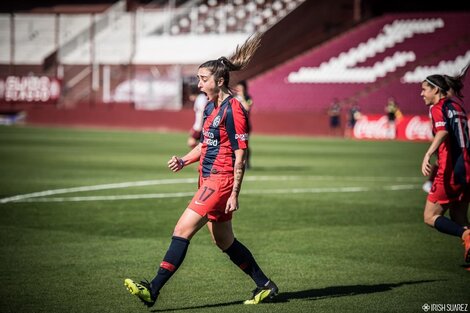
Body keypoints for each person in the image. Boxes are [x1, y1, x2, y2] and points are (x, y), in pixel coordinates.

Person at [124, 33, 278, 308]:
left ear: (219, 81)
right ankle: (265, 285)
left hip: (220, 181)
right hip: (207, 178)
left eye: (203, 79)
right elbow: (206, 145)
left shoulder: (234, 110)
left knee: (182, 229)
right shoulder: (209, 106)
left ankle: (153, 289)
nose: (198, 84)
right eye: (198, 78)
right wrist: (184, 160)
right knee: (223, 240)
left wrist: (234, 193)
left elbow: (240, 155)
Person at [420, 65, 470, 264]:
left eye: (424, 89)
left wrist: (428, 154)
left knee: (430, 216)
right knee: (459, 216)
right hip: (467, 167)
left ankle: (467, 236)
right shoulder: (457, 106)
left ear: (436, 90)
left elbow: (443, 131)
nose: (421, 93)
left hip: (451, 170)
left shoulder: (437, 108)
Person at [234, 80, 253, 169]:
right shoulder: (233, 98)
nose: (239, 89)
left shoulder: (248, 97)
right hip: (234, 124)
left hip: (245, 125)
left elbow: (247, 107)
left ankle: (247, 161)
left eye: (241, 88)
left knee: (244, 144)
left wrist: (242, 97)